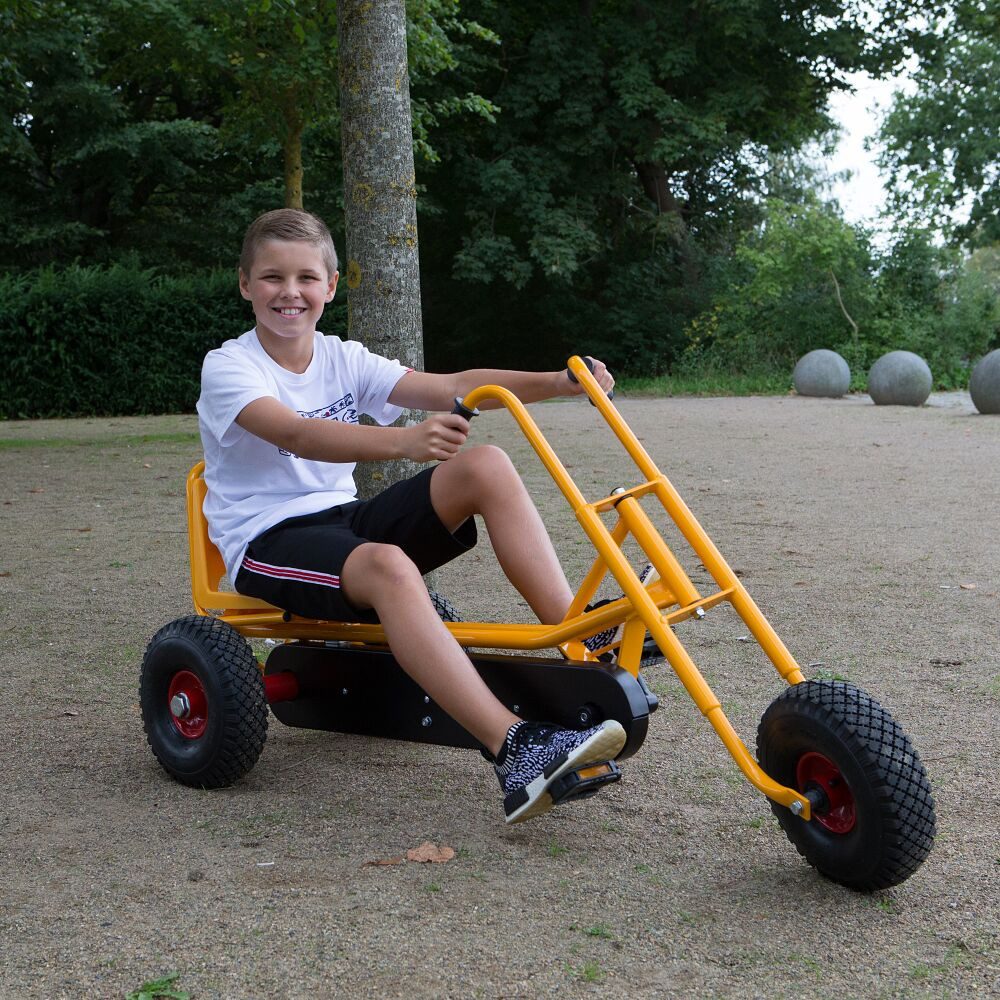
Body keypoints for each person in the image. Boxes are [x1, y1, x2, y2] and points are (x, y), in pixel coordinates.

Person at [197, 208, 626, 824]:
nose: (289, 292)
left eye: (306, 278)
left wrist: (561, 382)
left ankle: (574, 632)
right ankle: (516, 748)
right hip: (267, 540)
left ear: (331, 286)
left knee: (486, 465)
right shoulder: (229, 367)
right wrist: (403, 443)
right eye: (271, 277)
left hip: (341, 518)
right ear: (245, 284)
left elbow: (452, 383)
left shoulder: (341, 356)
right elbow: (296, 433)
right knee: (390, 567)